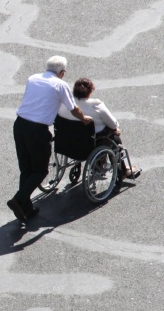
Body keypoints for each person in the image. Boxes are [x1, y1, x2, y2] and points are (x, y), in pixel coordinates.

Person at [8, 56, 93, 222]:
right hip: (37, 131)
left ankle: (26, 207)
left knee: (26, 169)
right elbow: (73, 109)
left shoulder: (32, 78)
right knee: (40, 170)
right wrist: (84, 119)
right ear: (62, 73)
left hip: (19, 126)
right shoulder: (60, 84)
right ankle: (18, 200)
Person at [58, 77, 141, 179]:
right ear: (90, 92)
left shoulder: (63, 104)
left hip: (66, 142)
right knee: (114, 136)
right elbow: (113, 124)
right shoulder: (96, 106)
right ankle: (123, 170)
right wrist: (115, 129)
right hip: (88, 145)